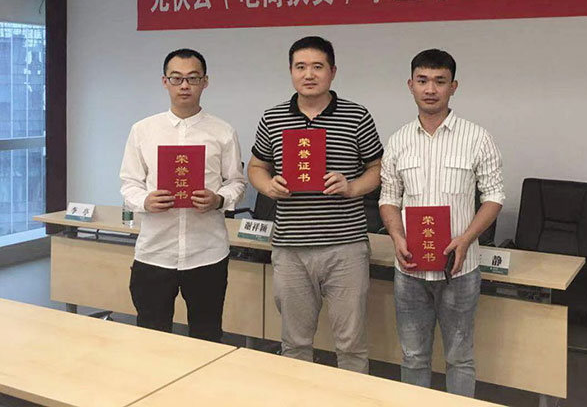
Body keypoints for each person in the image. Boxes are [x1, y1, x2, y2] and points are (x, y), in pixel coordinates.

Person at [248, 36, 383, 373]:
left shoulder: (357, 116)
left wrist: (352, 187)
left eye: (317, 67)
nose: (309, 74)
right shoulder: (273, 118)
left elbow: (379, 168)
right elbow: (256, 166)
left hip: (345, 247)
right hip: (291, 248)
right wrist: (268, 186)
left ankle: (353, 396)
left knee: (351, 345)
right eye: (301, 67)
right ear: (291, 71)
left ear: (332, 72)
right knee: (294, 343)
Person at [379, 48, 504, 397]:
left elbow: (494, 196)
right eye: (422, 81)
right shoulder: (399, 140)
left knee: (459, 358)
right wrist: (396, 235)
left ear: (453, 86)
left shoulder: (477, 138)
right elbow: (388, 198)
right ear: (410, 85)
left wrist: (467, 238)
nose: (430, 89)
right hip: (410, 271)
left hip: (459, 271)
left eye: (439, 81)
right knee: (413, 356)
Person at [120, 48, 245, 342]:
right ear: (165, 82)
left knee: (206, 335)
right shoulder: (143, 130)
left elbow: (236, 182)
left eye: (193, 78)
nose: (185, 85)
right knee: (151, 336)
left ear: (205, 81)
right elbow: (129, 183)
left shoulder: (223, 131)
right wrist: (145, 201)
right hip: (155, 252)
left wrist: (219, 199)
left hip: (207, 253)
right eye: (176, 78)